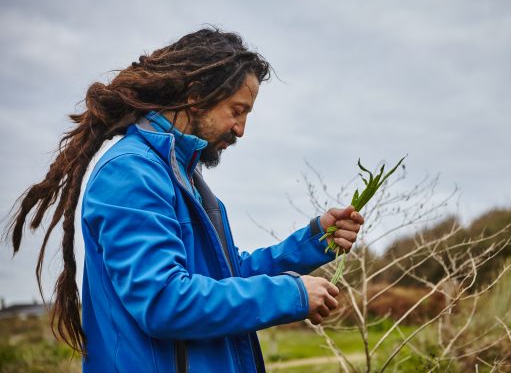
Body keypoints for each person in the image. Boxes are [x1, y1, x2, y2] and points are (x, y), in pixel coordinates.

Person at [7, 28, 364, 372]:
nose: (241, 129)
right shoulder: (130, 173)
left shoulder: (183, 177)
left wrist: (314, 242)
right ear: (196, 96)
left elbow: (227, 276)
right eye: (237, 111)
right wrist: (291, 295)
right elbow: (164, 300)